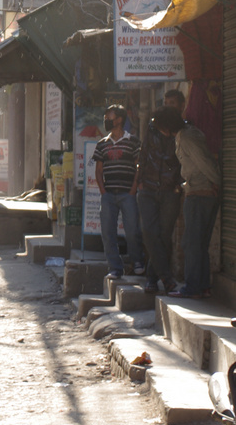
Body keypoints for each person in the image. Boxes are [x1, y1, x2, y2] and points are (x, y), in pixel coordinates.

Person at [153, 106, 220, 299]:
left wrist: (216, 182)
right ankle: (203, 286)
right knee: (199, 244)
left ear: (165, 127)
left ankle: (192, 287)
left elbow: (205, 162)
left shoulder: (186, 137)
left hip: (200, 193)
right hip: (201, 191)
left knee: (191, 243)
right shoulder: (188, 133)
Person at [136, 90, 186, 294]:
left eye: (172, 103)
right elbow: (144, 152)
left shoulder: (184, 130)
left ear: (182, 105)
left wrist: (178, 184)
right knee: (149, 232)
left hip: (169, 191)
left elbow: (184, 160)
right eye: (166, 102)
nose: (168, 106)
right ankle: (166, 279)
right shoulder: (153, 126)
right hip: (147, 189)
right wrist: (139, 182)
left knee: (163, 236)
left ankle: (151, 278)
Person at [93, 105, 145, 279]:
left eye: (110, 116)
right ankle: (115, 268)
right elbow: (98, 170)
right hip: (109, 195)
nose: (107, 119)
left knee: (132, 231)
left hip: (127, 194)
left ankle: (137, 261)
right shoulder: (102, 144)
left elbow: (139, 167)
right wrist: (103, 192)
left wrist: (132, 190)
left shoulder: (133, 141)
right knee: (108, 233)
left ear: (119, 120)